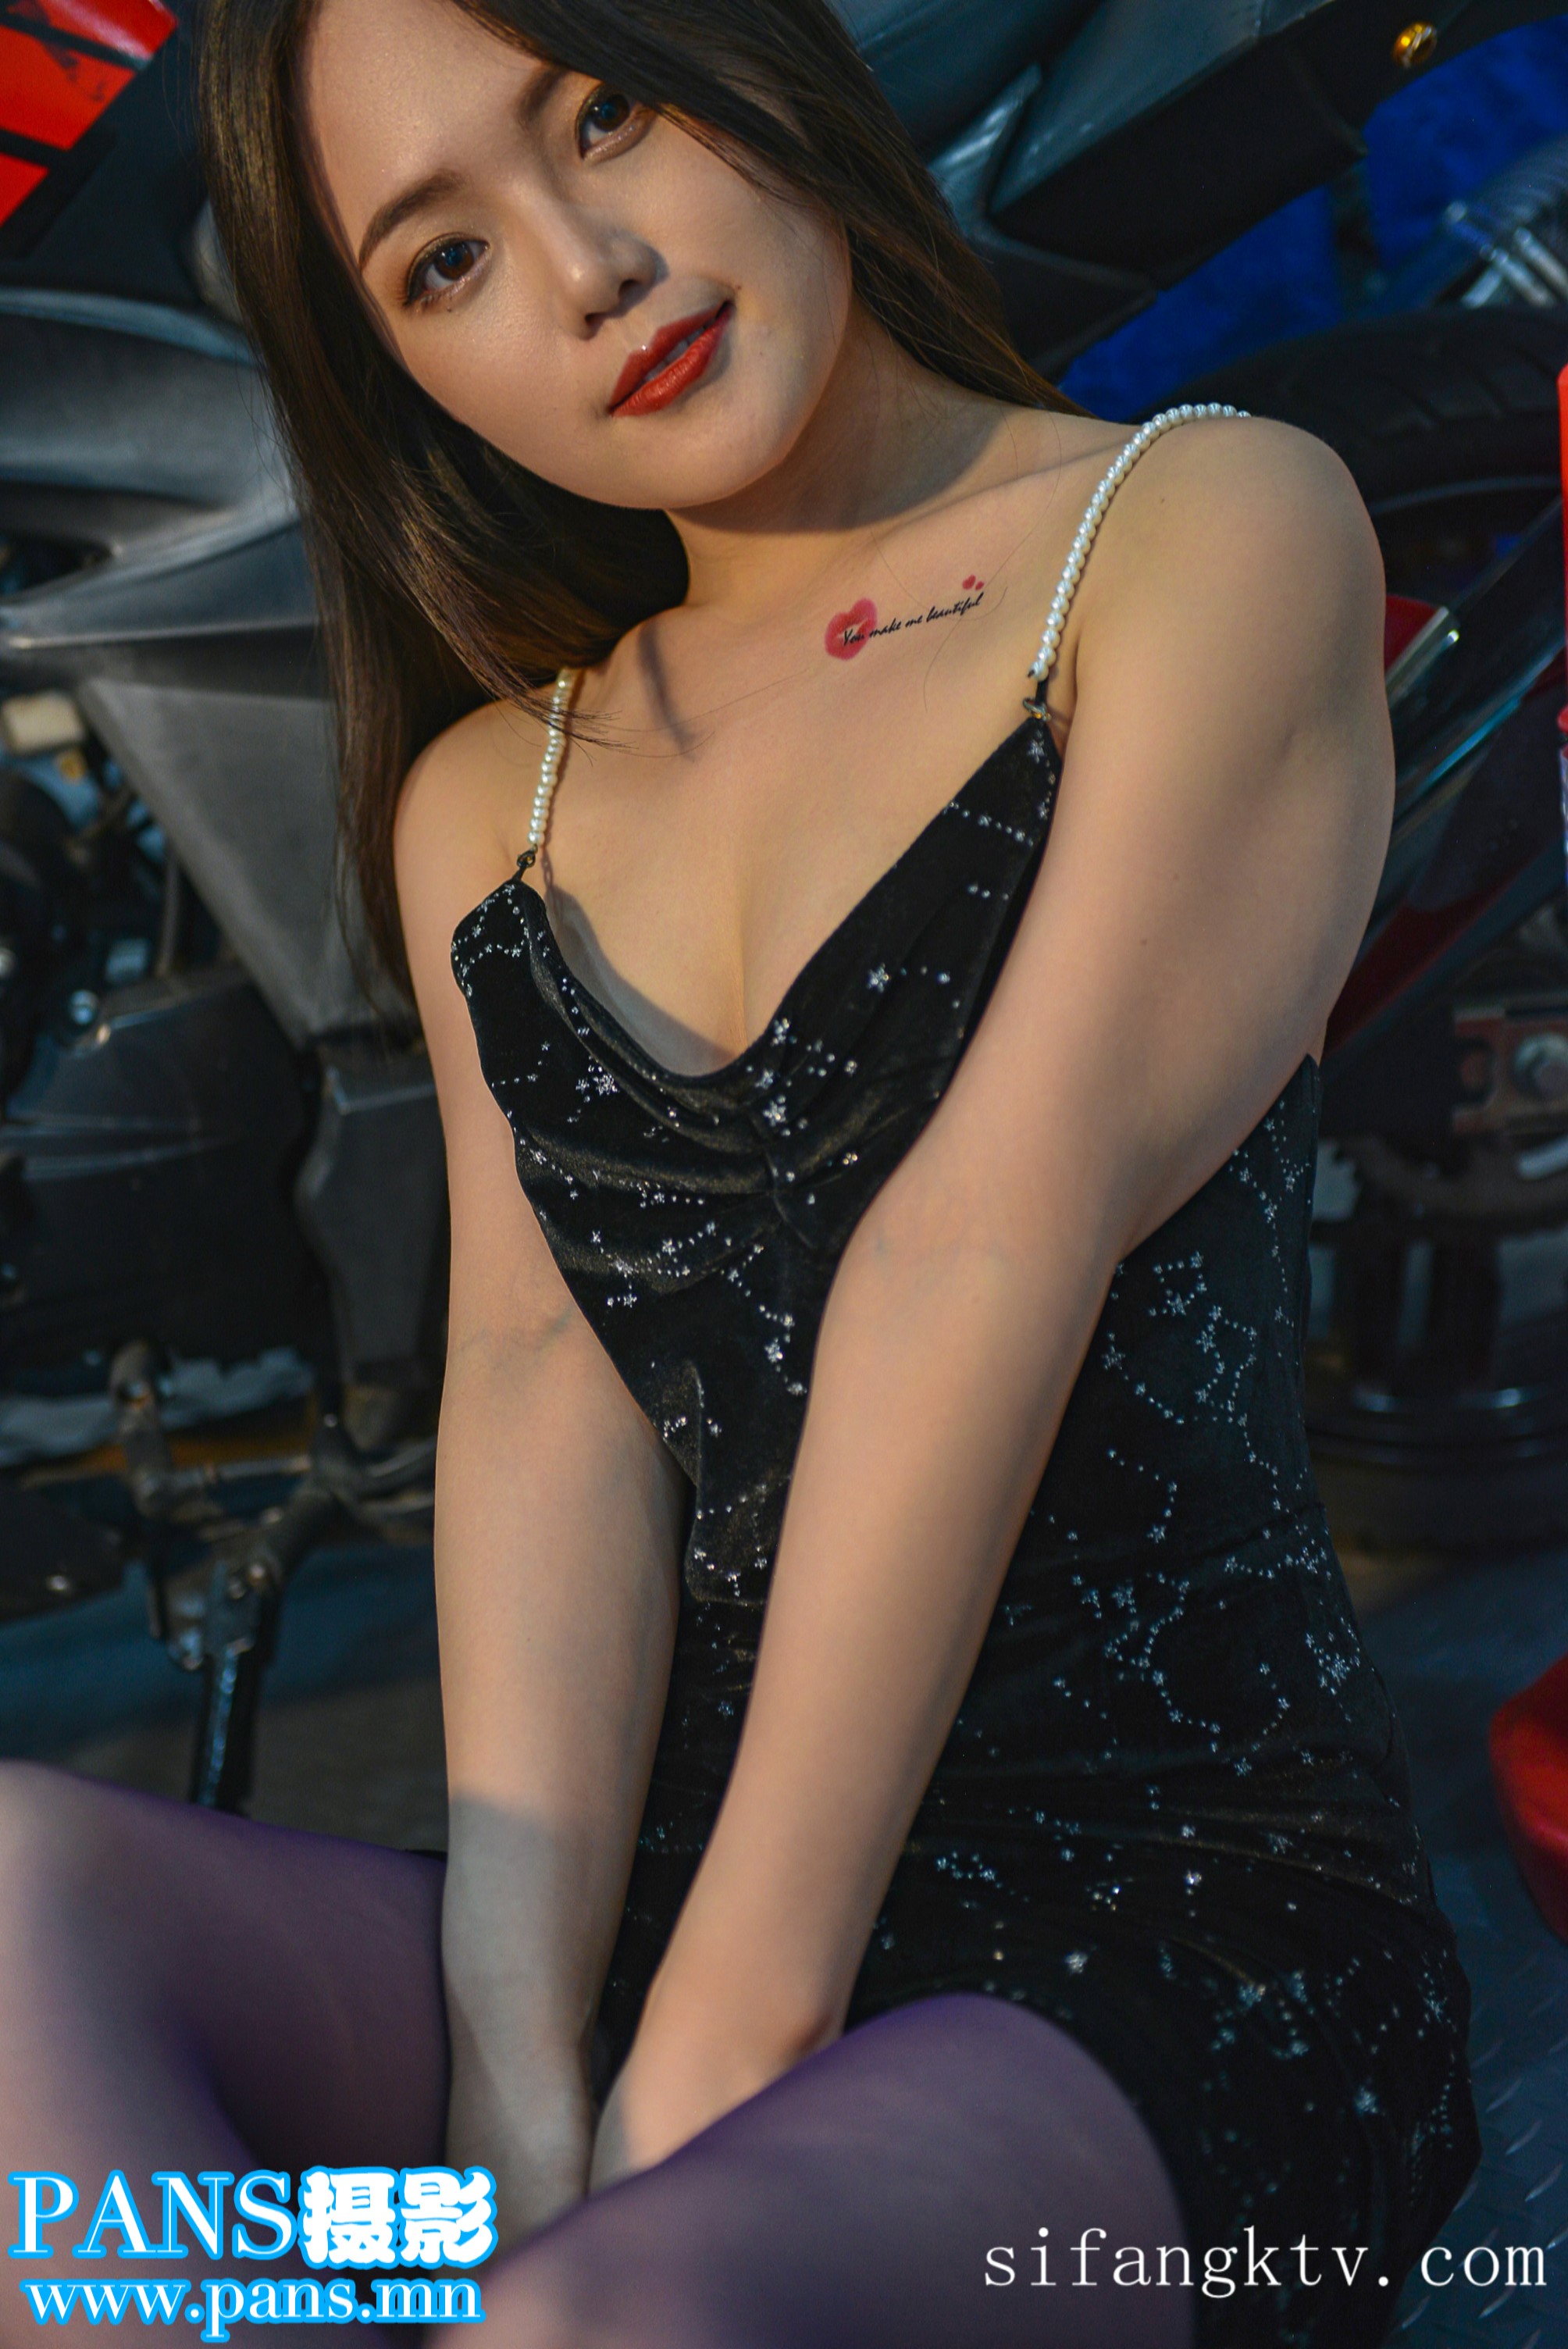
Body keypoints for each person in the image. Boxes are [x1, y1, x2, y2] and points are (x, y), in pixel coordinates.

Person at [0, 0, 1481, 2342]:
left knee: (605, 2314)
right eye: (445, 261)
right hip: (635, 1931)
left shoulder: (1191, 527)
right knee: (25, 1943)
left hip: (1155, 1958)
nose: (589, 267)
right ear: (405, 378)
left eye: (605, 111)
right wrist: (511, 2069)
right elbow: (535, 1394)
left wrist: (704, 2057)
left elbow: (984, 1237)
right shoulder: (495, 793)